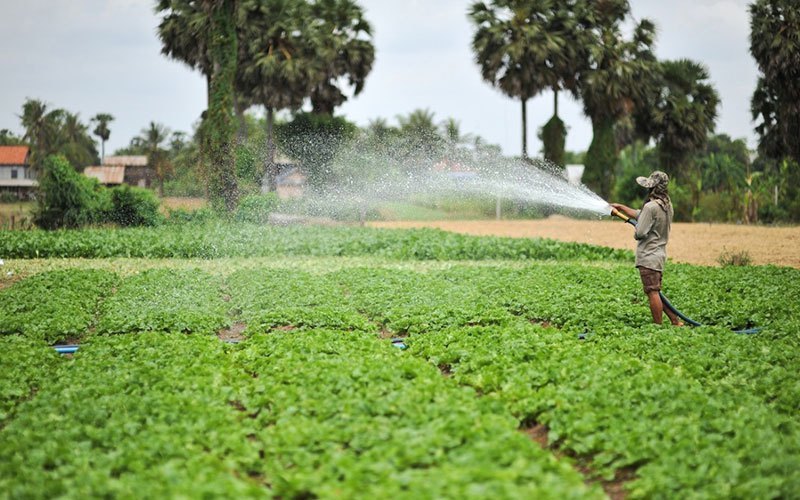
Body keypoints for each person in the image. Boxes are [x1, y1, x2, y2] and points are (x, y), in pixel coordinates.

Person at [610, 171, 683, 326]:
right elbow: (640, 214)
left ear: (653, 188)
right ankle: (675, 321)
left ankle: (658, 327)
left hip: (648, 255)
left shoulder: (650, 207)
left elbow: (641, 232)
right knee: (655, 291)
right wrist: (621, 208)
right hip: (659, 255)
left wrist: (637, 231)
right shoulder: (666, 205)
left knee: (652, 292)